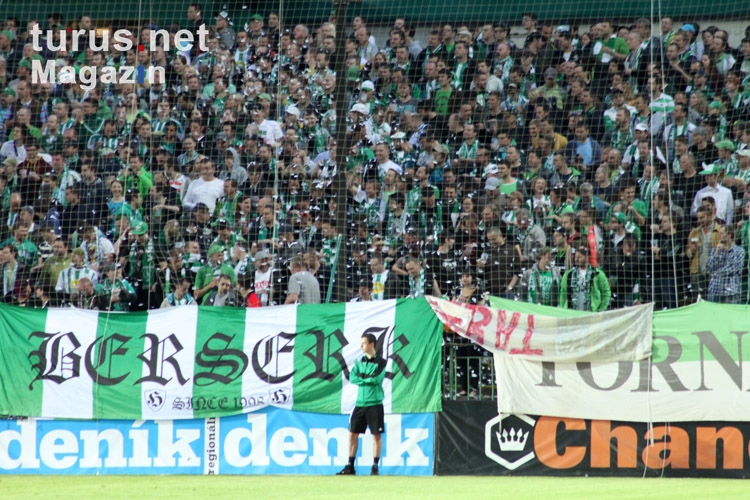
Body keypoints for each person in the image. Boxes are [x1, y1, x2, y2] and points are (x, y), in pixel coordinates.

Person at [337, 333, 387, 476]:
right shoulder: (359, 362)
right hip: (360, 403)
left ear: (372, 344)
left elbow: (376, 379)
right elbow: (353, 377)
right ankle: (350, 467)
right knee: (352, 434)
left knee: (376, 435)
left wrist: (362, 378)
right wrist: (366, 379)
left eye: (363, 343)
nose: (361, 346)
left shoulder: (382, 362)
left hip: (375, 404)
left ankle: (375, 466)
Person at [559, 244, 611, 312]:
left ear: (587, 257)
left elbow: (606, 293)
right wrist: (563, 309)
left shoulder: (598, 274)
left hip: (591, 314)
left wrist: (601, 310)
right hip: (571, 314)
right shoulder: (568, 274)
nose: (576, 259)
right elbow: (563, 294)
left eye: (579, 257)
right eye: (575, 257)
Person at [705, 224, 745, 303]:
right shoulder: (715, 250)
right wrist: (716, 253)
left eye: (721, 233)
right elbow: (709, 268)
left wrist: (714, 274)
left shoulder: (739, 251)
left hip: (730, 292)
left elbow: (732, 268)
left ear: (729, 235)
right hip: (714, 290)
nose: (719, 236)